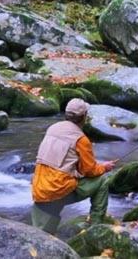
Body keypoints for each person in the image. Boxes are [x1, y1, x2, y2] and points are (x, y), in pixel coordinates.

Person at [30, 98, 117, 234]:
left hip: (39, 188)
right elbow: (90, 171)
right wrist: (104, 167)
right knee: (102, 181)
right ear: (84, 117)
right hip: (58, 190)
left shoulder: (52, 129)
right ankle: (96, 226)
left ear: (66, 114)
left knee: (42, 235)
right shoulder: (81, 139)